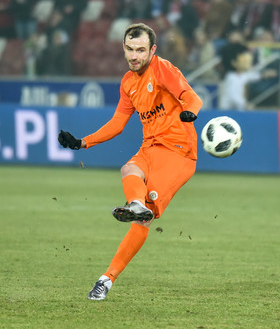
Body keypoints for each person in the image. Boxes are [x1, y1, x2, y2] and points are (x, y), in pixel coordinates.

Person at [58, 23, 203, 300]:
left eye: (140, 50)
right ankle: (106, 279)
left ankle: (109, 274)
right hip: (151, 146)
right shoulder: (128, 83)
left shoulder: (162, 69)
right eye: (129, 49)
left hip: (178, 151)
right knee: (129, 170)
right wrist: (82, 142)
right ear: (123, 47)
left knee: (144, 215)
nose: (134, 56)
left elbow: (191, 97)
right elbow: (117, 123)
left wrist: (190, 113)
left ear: (152, 50)